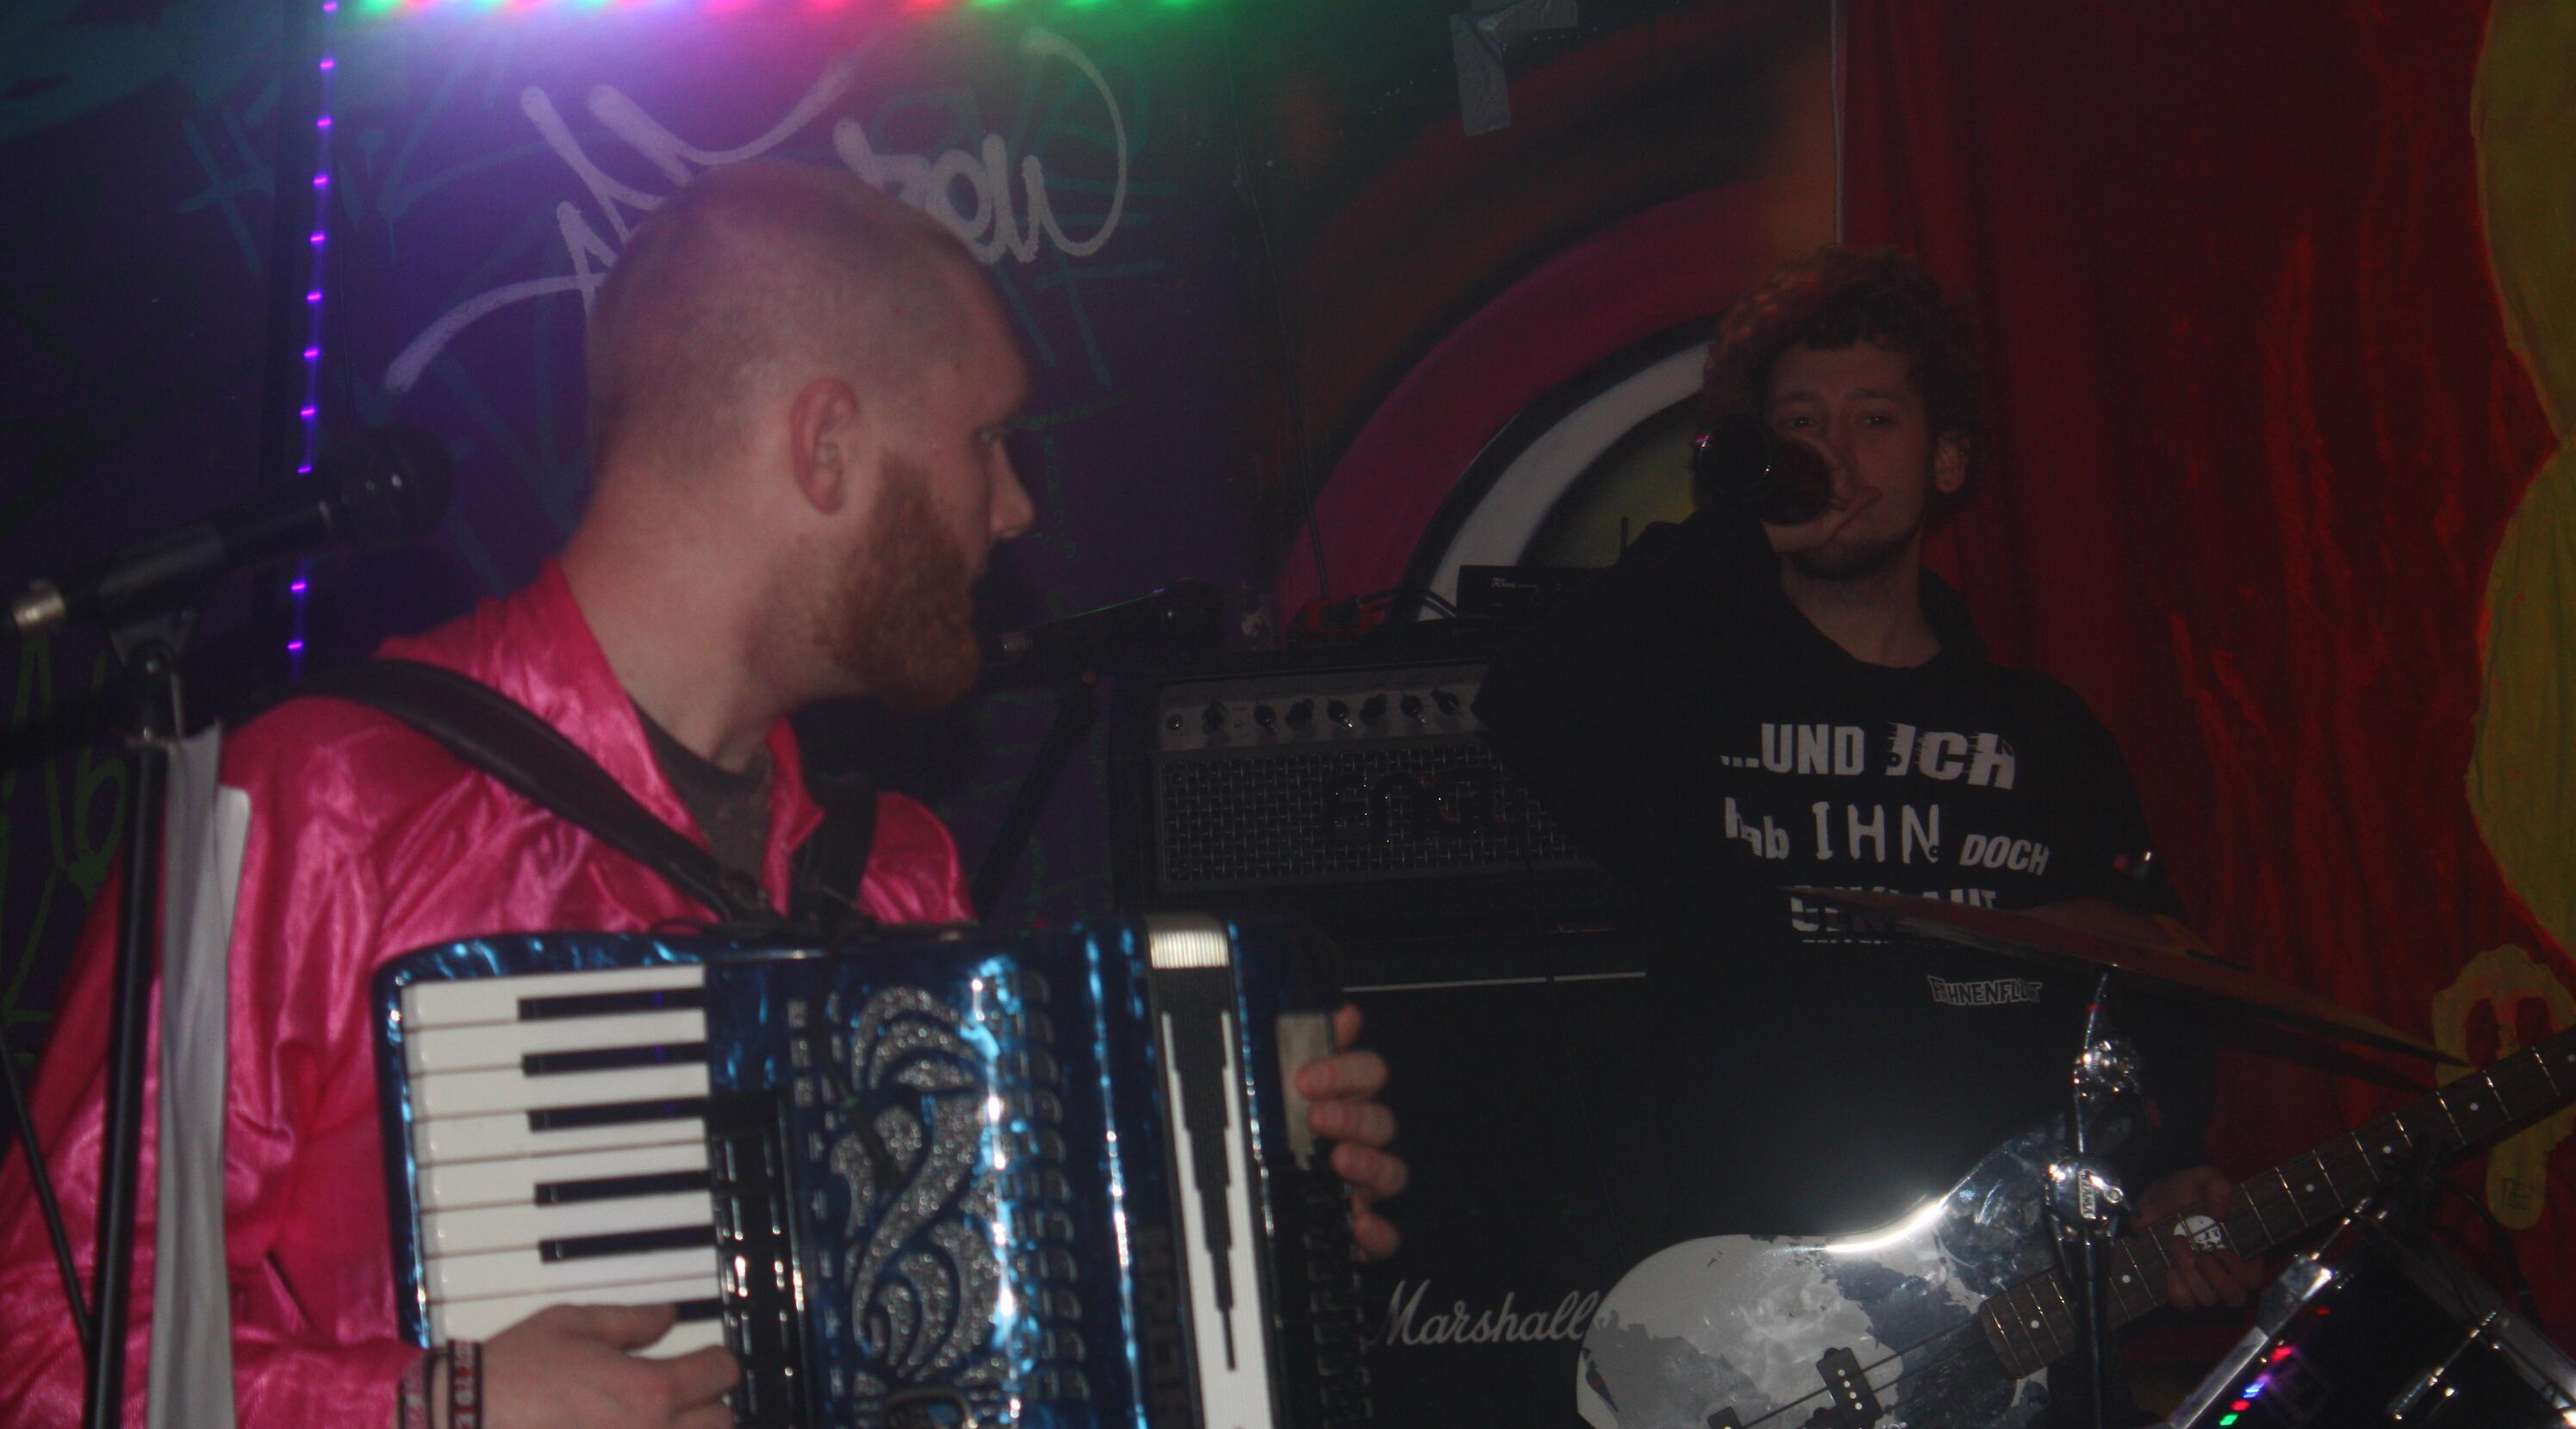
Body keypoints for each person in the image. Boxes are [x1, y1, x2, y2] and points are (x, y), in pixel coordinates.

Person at [0, 162, 1406, 1427]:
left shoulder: (894, 872)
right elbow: (41, 1353)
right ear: (826, 444)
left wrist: (1244, 1213)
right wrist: (434, 1408)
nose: (1015, 507)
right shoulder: (327, 803)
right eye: (984, 439)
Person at [1478, 246, 2254, 1311]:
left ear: (1947, 460)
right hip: (1752, 1312)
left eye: (1873, 419)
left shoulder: (2044, 734)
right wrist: (1732, 532)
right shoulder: (1690, 708)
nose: (1832, 454)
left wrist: (2168, 1174)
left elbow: (2149, 989)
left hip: (2004, 1305)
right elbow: (1524, 700)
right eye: (1800, 423)